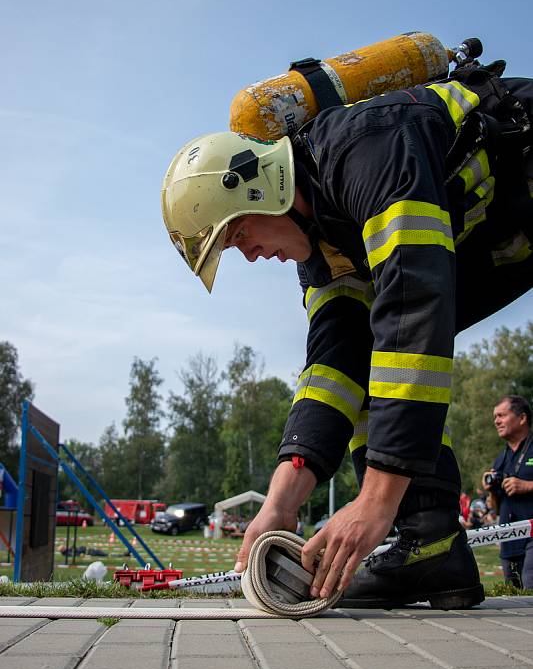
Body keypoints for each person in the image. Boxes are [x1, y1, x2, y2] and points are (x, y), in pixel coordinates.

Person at [161, 60, 533, 609]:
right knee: (361, 354)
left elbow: (415, 304)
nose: (248, 253)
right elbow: (333, 369)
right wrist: (283, 499)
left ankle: (409, 520)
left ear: (262, 187)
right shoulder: (323, 252)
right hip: (513, 231)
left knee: (399, 334)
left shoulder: (367, 151)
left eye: (238, 233)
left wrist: (375, 499)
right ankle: (429, 545)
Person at [483, 395, 533, 588]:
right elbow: (494, 507)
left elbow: (524, 486)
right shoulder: (501, 458)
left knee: (529, 592)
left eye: (502, 415)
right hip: (508, 538)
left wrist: (527, 486)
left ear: (522, 418)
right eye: (495, 417)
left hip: (531, 535)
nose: (496, 421)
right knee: (512, 599)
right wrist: (491, 491)